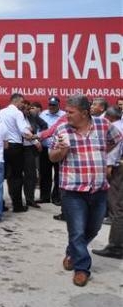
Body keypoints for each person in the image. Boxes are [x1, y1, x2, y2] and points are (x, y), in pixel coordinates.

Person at [49, 94, 122, 287]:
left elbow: (116, 139)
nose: (67, 115)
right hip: (73, 190)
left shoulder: (103, 125)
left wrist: (102, 152)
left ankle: (72, 252)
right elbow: (52, 157)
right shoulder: (63, 130)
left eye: (71, 112)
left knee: (93, 228)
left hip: (98, 189)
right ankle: (82, 268)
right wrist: (62, 151)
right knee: (77, 231)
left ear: (84, 112)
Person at [92, 107, 123, 259]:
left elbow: (114, 150)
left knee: (117, 207)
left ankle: (116, 246)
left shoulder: (115, 128)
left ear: (109, 118)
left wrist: (108, 166)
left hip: (118, 169)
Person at [0, 93, 33, 212]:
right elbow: (23, 129)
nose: (23, 105)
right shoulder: (18, 113)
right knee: (16, 177)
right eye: (22, 102)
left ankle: (0, 204)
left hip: (2, 147)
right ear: (16, 101)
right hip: (16, 148)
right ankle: (17, 205)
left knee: (0, 177)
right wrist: (31, 135)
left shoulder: (1, 112)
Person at [38, 97, 66, 204]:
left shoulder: (64, 115)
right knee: (44, 173)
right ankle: (44, 197)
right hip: (45, 148)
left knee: (59, 174)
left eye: (54, 105)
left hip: (58, 149)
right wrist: (38, 141)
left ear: (58, 105)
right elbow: (38, 129)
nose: (51, 107)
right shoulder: (43, 114)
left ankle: (56, 197)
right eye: (50, 104)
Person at [23, 101, 47, 208]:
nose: (28, 111)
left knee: (31, 175)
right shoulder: (17, 116)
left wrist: (37, 137)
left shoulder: (33, 116)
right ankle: (17, 200)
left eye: (29, 109)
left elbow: (44, 125)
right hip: (18, 147)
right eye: (26, 109)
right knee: (15, 176)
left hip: (30, 148)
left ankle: (30, 199)